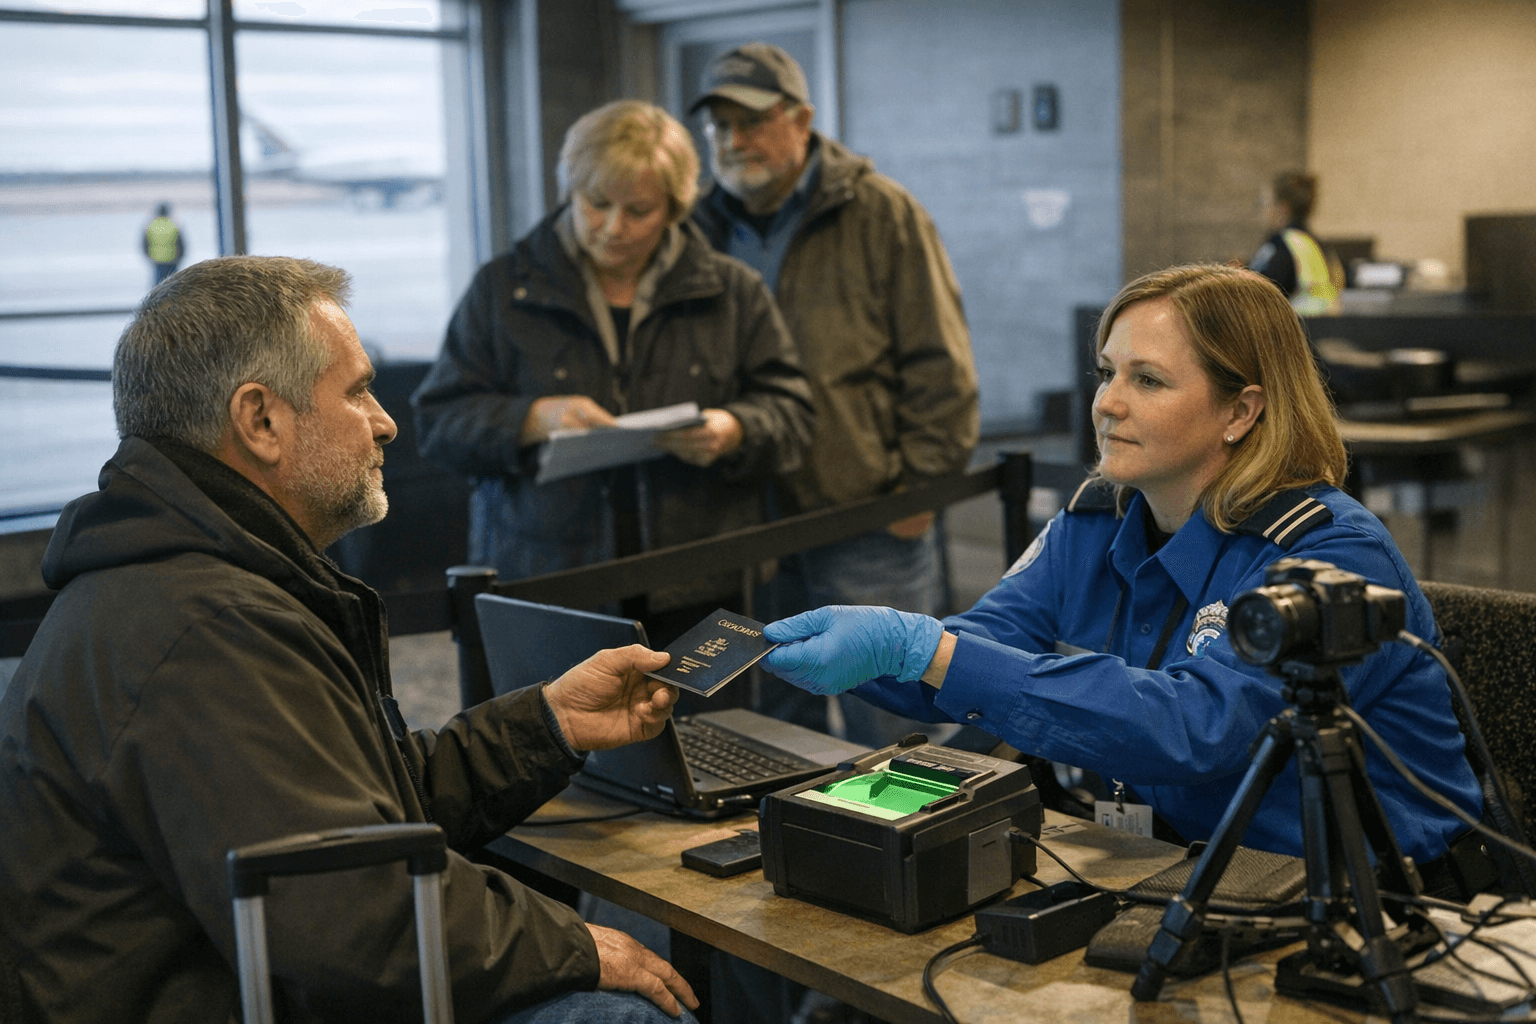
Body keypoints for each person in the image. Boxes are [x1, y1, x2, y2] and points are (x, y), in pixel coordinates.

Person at [0, 256, 699, 1024]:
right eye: (358, 390)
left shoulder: (203, 586)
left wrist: (551, 723)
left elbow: (357, 811)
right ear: (260, 420)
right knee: (622, 1017)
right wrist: (579, 944)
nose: (386, 420)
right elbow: (353, 920)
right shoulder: (205, 630)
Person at [759, 263, 1484, 878]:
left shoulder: (1327, 554)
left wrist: (926, 649)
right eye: (1108, 373)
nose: (1106, 403)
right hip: (1168, 871)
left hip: (1363, 900)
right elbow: (978, 650)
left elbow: (1194, 728)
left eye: (1148, 380)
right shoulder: (1095, 523)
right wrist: (868, 649)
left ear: (1241, 409)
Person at [412, 99, 813, 650]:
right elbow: (436, 422)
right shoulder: (502, 290)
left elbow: (792, 412)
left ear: (674, 209)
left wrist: (734, 429)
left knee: (701, 735)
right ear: (570, 191)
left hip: (695, 581)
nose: (612, 228)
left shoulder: (733, 290)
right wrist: (529, 418)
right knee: (553, 733)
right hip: (549, 579)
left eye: (638, 211)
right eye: (596, 204)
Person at [687, 42, 979, 742]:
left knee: (888, 719)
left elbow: (940, 363)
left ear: (802, 119)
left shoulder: (882, 213)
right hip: (746, 519)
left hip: (867, 516)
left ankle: (905, 852)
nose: (734, 141)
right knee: (768, 723)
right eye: (720, 125)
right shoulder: (695, 227)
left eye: (752, 121)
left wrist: (919, 493)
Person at [1248, 171, 1340, 315]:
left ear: (1283, 208)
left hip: (1296, 326)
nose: (1262, 211)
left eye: (1266, 203)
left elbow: (1256, 292)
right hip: (1325, 326)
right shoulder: (1318, 244)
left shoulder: (1281, 244)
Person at [142, 200, 185, 285]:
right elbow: (181, 244)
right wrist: (180, 258)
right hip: (173, 259)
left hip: (157, 261)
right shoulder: (174, 226)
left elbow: (144, 245)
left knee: (159, 286)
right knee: (174, 285)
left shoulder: (150, 226)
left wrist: (149, 257)